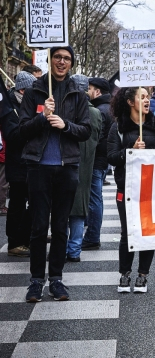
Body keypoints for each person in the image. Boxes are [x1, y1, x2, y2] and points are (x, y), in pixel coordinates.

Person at [20, 46, 91, 302]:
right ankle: (36, 281)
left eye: (67, 59)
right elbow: (21, 131)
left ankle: (57, 279)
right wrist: (43, 117)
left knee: (61, 227)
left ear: (72, 63)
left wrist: (65, 125)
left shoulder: (78, 95)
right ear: (50, 60)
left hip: (67, 168)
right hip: (38, 168)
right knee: (39, 227)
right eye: (58, 57)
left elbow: (85, 131)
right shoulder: (34, 91)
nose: (62, 62)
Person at [107, 86, 155, 293]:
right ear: (130, 101)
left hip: (151, 188)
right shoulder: (118, 127)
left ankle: (143, 275)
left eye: (148, 97)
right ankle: (124, 274)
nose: (147, 100)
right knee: (128, 232)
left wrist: (150, 155)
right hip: (126, 187)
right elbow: (111, 157)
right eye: (142, 97)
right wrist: (131, 152)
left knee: (148, 231)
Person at [66, 75, 102, 262]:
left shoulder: (67, 110)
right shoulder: (95, 113)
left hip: (68, 164)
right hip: (87, 164)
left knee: (63, 210)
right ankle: (74, 250)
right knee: (79, 210)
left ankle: (64, 249)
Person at [0, 71, 36, 257]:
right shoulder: (9, 108)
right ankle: (15, 241)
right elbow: (13, 135)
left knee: (34, 202)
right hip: (18, 164)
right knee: (17, 204)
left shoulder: (24, 106)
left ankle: (26, 236)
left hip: (30, 163)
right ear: (23, 90)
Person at [81, 77, 114, 251]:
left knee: (94, 198)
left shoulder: (100, 110)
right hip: (103, 159)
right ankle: (90, 230)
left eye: (90, 89)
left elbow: (96, 136)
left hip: (96, 158)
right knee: (95, 197)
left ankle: (92, 236)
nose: (88, 92)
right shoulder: (110, 107)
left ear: (97, 91)